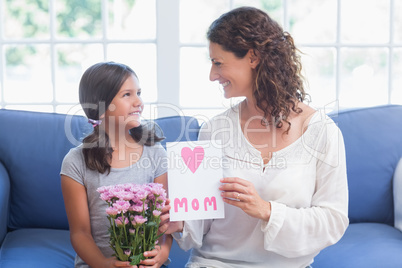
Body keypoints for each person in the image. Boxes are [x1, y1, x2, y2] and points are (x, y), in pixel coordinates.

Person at [162, 6, 348, 268]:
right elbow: (198, 222)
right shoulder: (215, 130)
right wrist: (179, 222)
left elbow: (333, 221)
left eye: (218, 63)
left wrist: (267, 211)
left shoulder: (321, 132)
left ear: (253, 57)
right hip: (215, 263)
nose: (212, 75)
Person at [61, 62, 172, 268]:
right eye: (127, 95)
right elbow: (80, 233)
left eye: (138, 92)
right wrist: (103, 264)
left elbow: (164, 221)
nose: (139, 101)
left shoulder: (156, 153)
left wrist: (162, 253)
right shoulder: (75, 162)